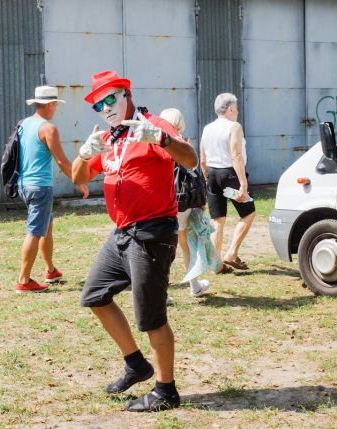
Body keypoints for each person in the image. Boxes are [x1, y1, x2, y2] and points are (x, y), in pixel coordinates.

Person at [71, 70, 197, 412]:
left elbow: (191, 159)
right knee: (95, 295)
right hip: (122, 234)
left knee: (151, 317)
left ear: (126, 94)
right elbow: (78, 179)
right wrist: (84, 154)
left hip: (152, 233)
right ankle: (135, 364)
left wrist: (161, 139)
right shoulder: (109, 137)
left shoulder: (151, 125)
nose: (105, 106)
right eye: (98, 103)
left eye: (110, 98)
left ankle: (166, 390)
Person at [15, 85, 89, 293]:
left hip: (24, 183)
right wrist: (79, 180)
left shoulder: (23, 124)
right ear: (50, 105)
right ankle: (24, 280)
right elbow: (63, 162)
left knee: (46, 226)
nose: (56, 108)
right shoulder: (48, 128)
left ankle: (50, 270)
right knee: (35, 231)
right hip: (40, 186)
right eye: (55, 104)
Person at [159, 108, 219, 298]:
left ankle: (162, 292)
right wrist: (201, 202)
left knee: (164, 250)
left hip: (164, 203)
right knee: (185, 246)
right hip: (184, 203)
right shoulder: (184, 144)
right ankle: (194, 286)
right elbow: (195, 174)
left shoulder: (157, 143)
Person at [199, 93, 256, 271]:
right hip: (229, 174)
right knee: (249, 211)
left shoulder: (207, 128)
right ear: (230, 109)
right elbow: (236, 155)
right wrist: (243, 184)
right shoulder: (234, 126)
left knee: (218, 219)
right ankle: (232, 253)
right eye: (236, 108)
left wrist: (207, 176)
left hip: (213, 175)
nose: (237, 112)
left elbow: (202, 158)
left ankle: (217, 264)